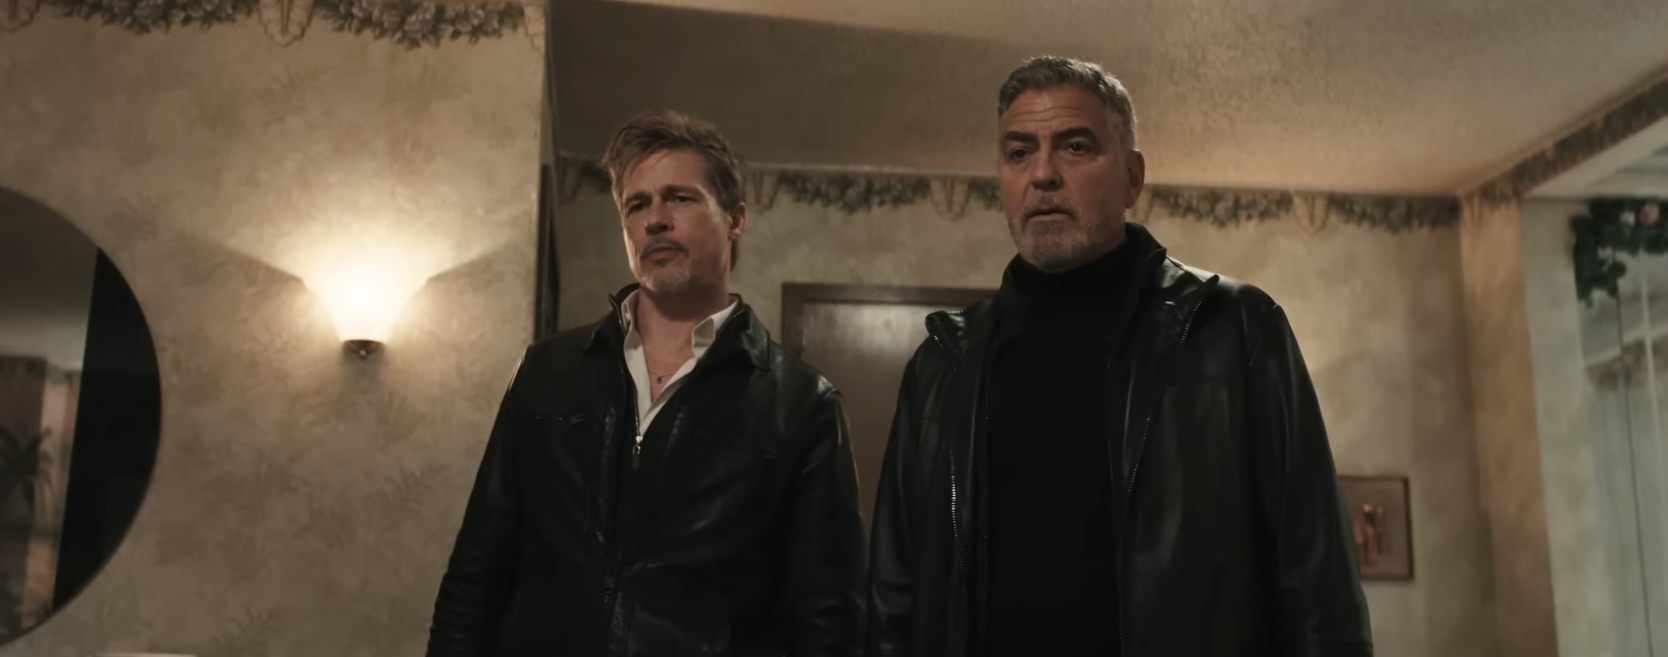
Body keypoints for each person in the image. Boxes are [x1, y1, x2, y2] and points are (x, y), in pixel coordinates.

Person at [863, 56, 1373, 657]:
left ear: (1132, 177)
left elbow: (1319, 593)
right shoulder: (943, 365)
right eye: (1019, 152)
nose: (1043, 174)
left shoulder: (1234, 331)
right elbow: (892, 603)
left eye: (1075, 147)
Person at [428, 110, 866, 656]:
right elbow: (477, 572)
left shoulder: (801, 405)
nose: (655, 219)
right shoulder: (548, 371)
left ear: (735, 218)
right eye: (637, 205)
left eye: (679, 198)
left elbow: (827, 620)